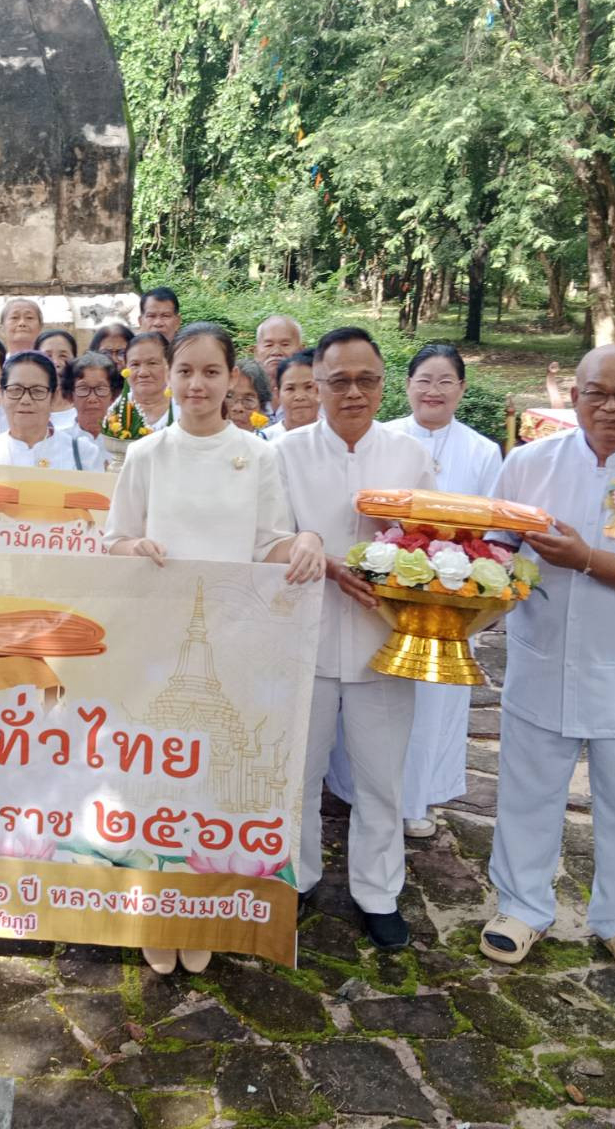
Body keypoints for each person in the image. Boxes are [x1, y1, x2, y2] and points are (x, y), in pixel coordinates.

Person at [106, 322, 326, 975]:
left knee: (210, 784)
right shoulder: (146, 455)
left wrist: (306, 542)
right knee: (155, 778)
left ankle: (200, 911)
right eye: (185, 372)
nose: (196, 385)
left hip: (234, 637)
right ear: (167, 378)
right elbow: (114, 538)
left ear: (233, 378)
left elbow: (268, 543)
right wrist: (131, 549)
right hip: (156, 640)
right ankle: (154, 912)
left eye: (210, 372)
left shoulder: (257, 455)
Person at [480, 344, 615, 983]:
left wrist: (586, 557)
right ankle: (521, 907)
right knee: (529, 791)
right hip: (543, 660)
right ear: (572, 395)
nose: (610, 407)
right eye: (596, 393)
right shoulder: (529, 464)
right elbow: (493, 556)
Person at [276, 327, 435, 951]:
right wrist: (309, 549)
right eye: (338, 380)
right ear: (314, 386)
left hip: (382, 641)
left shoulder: (410, 457)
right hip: (303, 641)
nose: (353, 392)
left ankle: (378, 892)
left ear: (383, 384)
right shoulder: (283, 454)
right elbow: (267, 537)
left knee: (380, 779)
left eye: (366, 379)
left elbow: (435, 544)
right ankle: (298, 877)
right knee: (300, 774)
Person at [325, 344, 501, 839]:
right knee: (373, 698)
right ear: (405, 385)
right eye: (425, 380)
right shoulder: (387, 440)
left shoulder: (484, 451)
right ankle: (357, 790)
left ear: (462, 390)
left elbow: (490, 531)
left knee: (433, 708)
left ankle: (418, 798)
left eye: (446, 382)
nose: (434, 391)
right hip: (387, 596)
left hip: (449, 599)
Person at [0, 351, 106, 471]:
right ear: (2, 395)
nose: (26, 400)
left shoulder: (83, 453)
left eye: (37, 391)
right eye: (16, 390)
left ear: (53, 396)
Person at [112, 331, 174, 431]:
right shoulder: (115, 412)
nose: (143, 373)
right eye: (135, 365)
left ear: (169, 365)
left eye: (152, 363)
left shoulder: (184, 408)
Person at [262, 350, 319, 444]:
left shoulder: (337, 437)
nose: (300, 397)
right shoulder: (264, 440)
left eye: (308, 387)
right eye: (290, 389)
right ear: (277, 394)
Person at [66, 352, 123, 439]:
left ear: (113, 395)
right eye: (83, 388)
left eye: (100, 389)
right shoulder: (59, 442)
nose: (92, 399)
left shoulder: (128, 439)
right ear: (70, 395)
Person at [35, 328, 79, 430]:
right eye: (48, 356)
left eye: (63, 356)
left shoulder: (84, 402)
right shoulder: (26, 404)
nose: (55, 363)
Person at [254, 315, 305, 398]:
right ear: (256, 352)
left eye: (285, 345)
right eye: (268, 345)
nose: (276, 352)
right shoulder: (243, 389)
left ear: (301, 350)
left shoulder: (315, 390)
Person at [227, 358, 271, 431]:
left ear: (261, 408)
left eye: (248, 400)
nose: (238, 408)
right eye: (229, 396)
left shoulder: (270, 441)